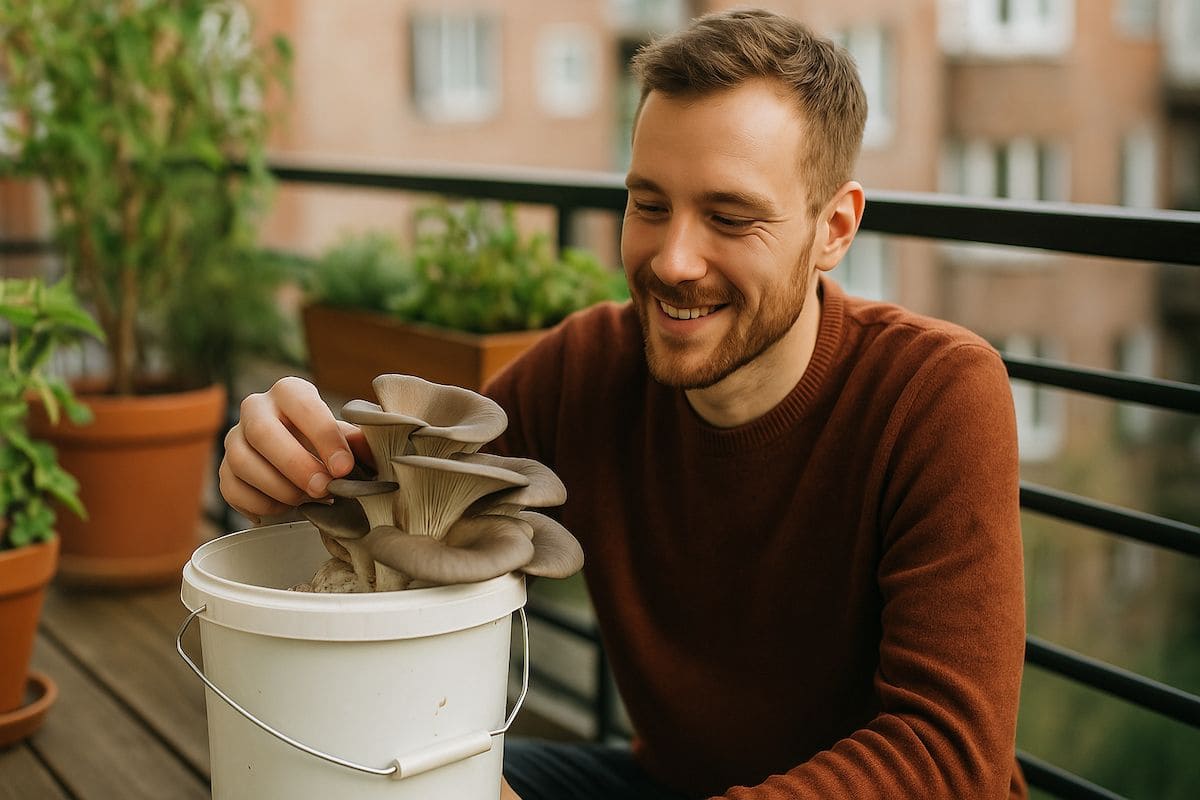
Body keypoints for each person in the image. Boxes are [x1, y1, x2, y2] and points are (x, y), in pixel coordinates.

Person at [219, 8, 1027, 800]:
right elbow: (408, 497)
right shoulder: (587, 367)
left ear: (835, 228)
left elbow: (950, 759)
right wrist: (292, 463)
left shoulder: (939, 395)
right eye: (648, 204)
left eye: (729, 217)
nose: (673, 260)